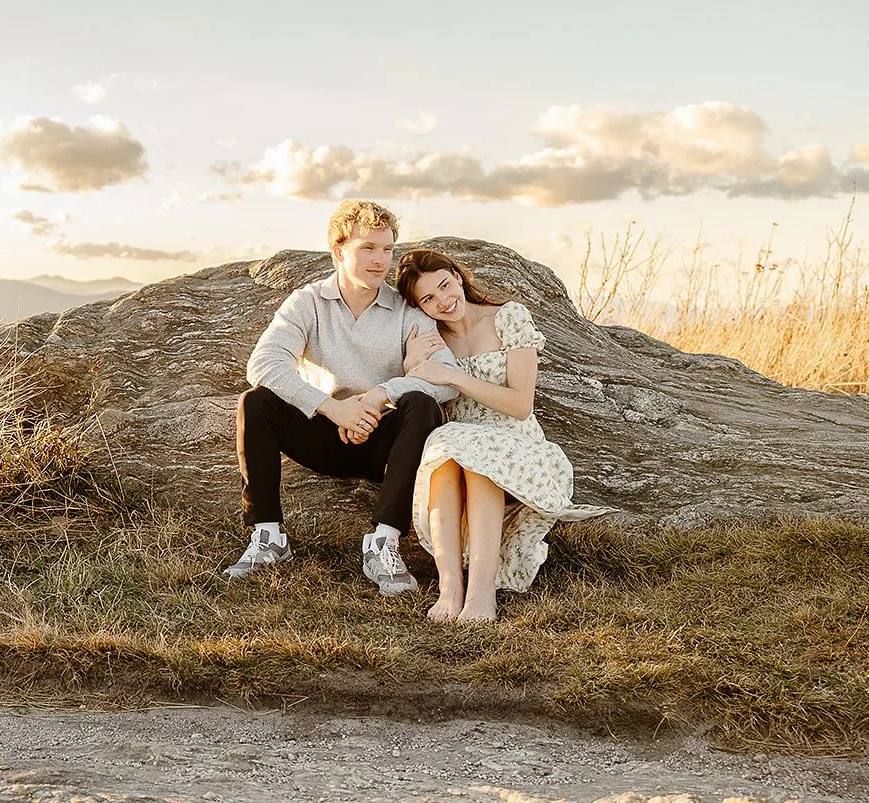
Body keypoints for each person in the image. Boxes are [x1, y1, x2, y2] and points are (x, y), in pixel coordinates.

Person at [224, 200, 461, 595]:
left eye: (387, 249)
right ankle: (268, 538)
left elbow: (447, 378)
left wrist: (379, 396)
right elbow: (263, 363)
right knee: (256, 402)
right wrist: (333, 409)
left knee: (422, 404)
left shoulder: (408, 311)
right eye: (367, 248)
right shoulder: (308, 302)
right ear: (338, 251)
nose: (380, 260)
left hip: (385, 441)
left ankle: (383, 543)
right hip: (323, 433)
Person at [395, 248, 611, 624]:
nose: (443, 301)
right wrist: (411, 365)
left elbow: (520, 404)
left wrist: (455, 377)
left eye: (444, 285)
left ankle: (482, 592)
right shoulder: (430, 338)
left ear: (457, 276)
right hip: (457, 442)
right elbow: (416, 397)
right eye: (428, 299)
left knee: (477, 458)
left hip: (516, 442)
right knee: (444, 453)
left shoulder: (508, 317)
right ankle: (450, 587)